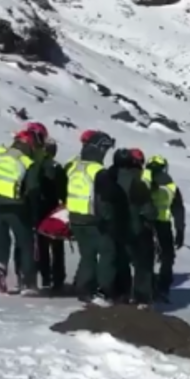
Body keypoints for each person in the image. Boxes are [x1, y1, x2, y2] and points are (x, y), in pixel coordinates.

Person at [0, 122, 48, 295]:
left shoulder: (0, 153)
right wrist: (35, 213)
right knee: (26, 243)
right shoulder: (27, 161)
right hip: (16, 206)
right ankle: (28, 283)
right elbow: (33, 189)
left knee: (1, 242)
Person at [66, 129, 118, 304]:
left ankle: (83, 289)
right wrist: (110, 219)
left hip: (75, 218)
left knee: (87, 255)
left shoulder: (74, 166)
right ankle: (104, 291)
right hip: (93, 220)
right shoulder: (98, 171)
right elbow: (107, 199)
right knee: (107, 253)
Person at [108, 148, 156, 307]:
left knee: (121, 262)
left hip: (115, 227)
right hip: (136, 229)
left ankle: (121, 295)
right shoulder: (137, 182)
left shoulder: (109, 177)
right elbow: (148, 210)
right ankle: (141, 299)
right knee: (143, 265)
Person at [145, 154, 187, 303]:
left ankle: (145, 286)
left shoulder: (142, 181)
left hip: (144, 224)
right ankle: (163, 288)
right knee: (167, 257)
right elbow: (178, 210)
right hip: (163, 224)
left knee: (145, 257)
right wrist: (180, 230)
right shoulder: (171, 186)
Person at [35, 136, 68, 294]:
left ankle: (45, 277)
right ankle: (58, 278)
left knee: (41, 244)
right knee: (57, 244)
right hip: (54, 209)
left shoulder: (35, 166)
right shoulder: (57, 168)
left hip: (38, 209)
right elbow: (64, 190)